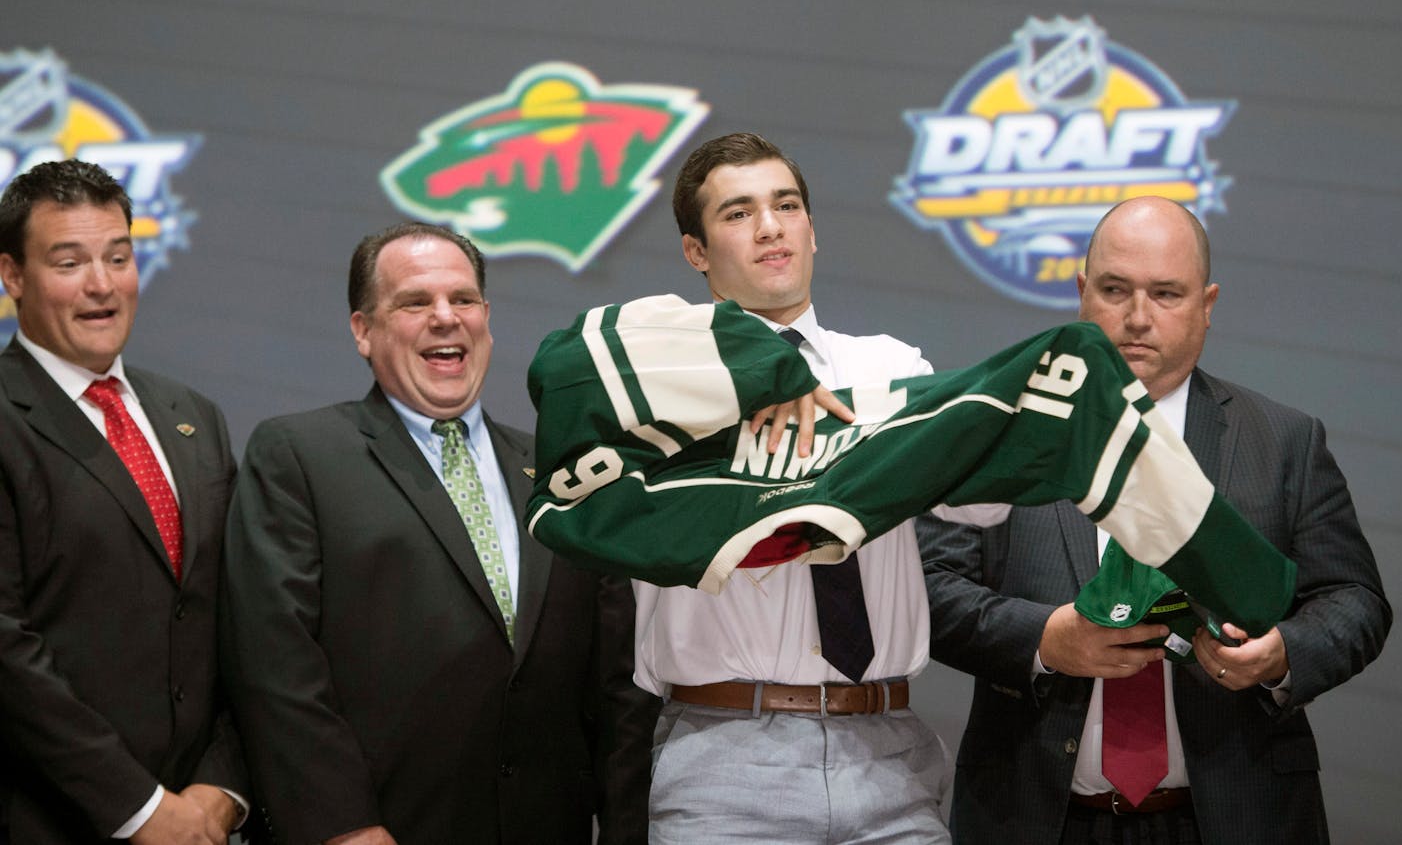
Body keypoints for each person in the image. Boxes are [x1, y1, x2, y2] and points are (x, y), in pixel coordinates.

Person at [919, 195, 1391, 844]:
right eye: (1115, 290)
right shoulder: (1001, 429)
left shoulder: (1283, 441)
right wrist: (1046, 640)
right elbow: (931, 589)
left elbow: (1355, 601)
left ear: (1208, 304)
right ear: (1083, 292)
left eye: (1167, 294)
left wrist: (1280, 655)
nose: (1138, 318)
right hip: (1032, 816)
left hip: (1235, 816)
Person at [219, 222, 657, 845]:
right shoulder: (298, 455)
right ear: (364, 331)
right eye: (415, 302)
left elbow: (617, 686)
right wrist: (341, 825)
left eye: (464, 299)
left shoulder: (565, 476)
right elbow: (274, 663)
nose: (446, 317)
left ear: (487, 318)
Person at [634, 132, 1006, 844]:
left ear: (812, 230)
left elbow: (982, 502)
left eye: (787, 205)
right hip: (726, 759)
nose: (771, 227)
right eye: (738, 214)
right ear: (696, 252)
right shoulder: (660, 384)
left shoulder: (890, 367)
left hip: (890, 751)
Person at [0, 159, 246, 844]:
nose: (102, 284)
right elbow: (6, 650)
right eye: (69, 261)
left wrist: (221, 790)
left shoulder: (193, 415)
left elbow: (241, 620)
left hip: (202, 822)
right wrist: (141, 810)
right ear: (12, 275)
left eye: (118, 255)